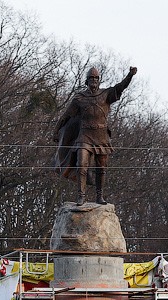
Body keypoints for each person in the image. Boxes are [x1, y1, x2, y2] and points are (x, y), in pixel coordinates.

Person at [53, 66, 137, 205]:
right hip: (84, 135)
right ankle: (81, 196)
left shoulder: (106, 94)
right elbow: (66, 116)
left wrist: (130, 75)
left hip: (101, 136)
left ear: (99, 80)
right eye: (91, 78)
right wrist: (56, 131)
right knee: (81, 165)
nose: (94, 80)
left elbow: (120, 87)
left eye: (96, 78)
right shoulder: (79, 98)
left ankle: (100, 196)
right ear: (86, 81)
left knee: (101, 168)